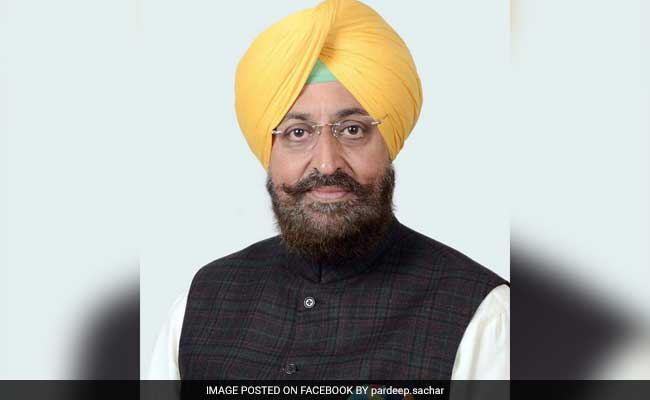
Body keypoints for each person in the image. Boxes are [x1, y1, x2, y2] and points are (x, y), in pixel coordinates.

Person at [148, 0, 509, 380]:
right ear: (269, 151)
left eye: (352, 129)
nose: (326, 163)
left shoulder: (483, 319)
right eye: (297, 133)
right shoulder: (201, 304)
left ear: (389, 143)